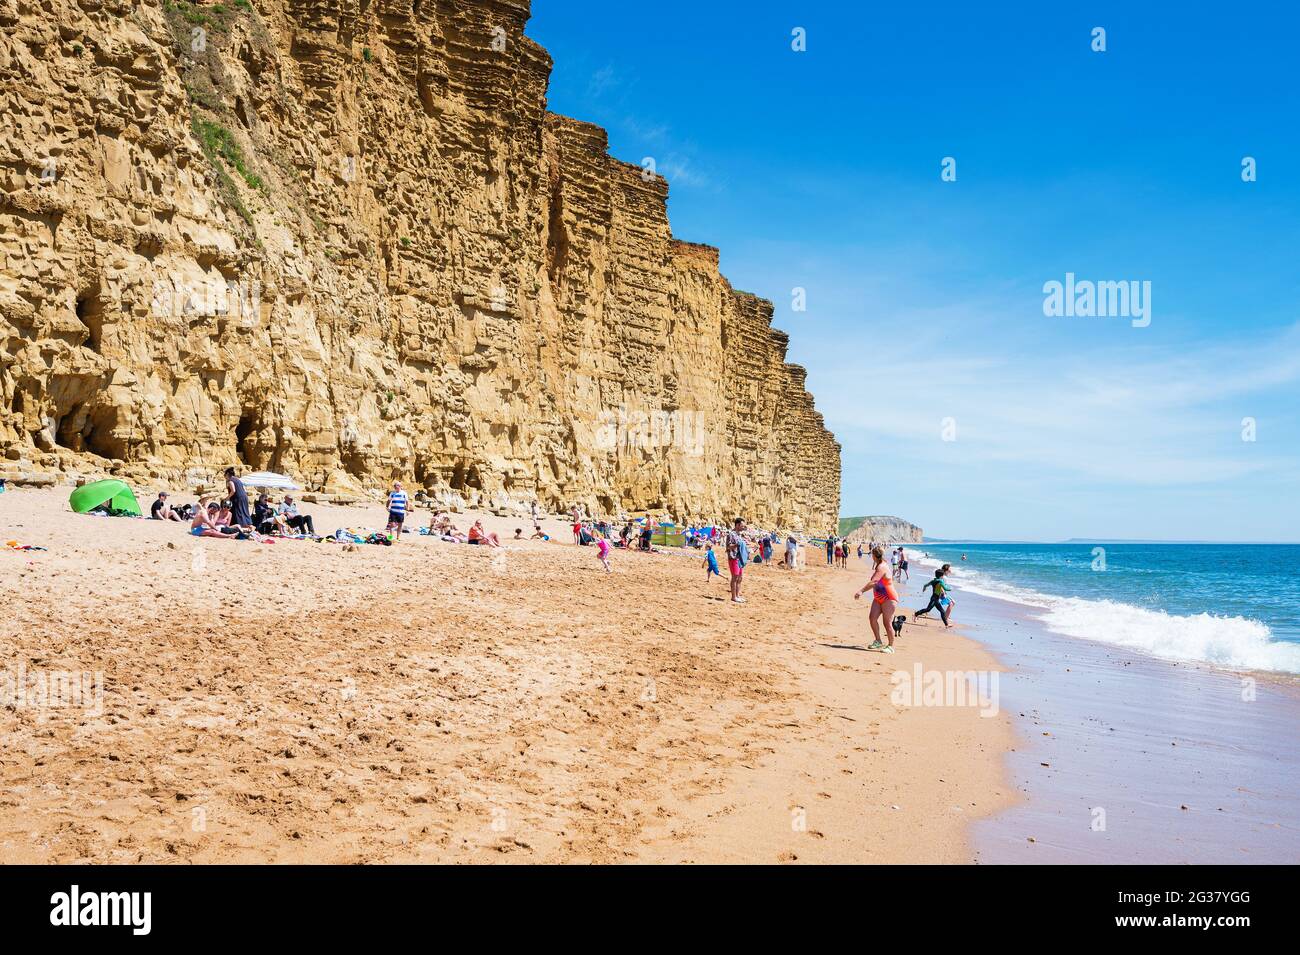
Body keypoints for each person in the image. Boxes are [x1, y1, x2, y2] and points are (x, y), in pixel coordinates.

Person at [853, 545, 900, 652]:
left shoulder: (882, 567)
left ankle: (891, 646)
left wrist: (861, 591)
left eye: (872, 555)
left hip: (889, 598)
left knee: (887, 623)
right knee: (872, 618)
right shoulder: (879, 565)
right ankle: (878, 641)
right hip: (878, 598)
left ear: (874, 556)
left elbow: (874, 582)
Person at [223, 467, 253, 533]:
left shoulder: (230, 481)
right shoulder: (238, 479)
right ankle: (248, 524)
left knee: (238, 511)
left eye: (225, 475)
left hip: (237, 497)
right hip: (244, 497)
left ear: (227, 474)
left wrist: (227, 497)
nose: (225, 477)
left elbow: (233, 490)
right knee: (244, 510)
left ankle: (240, 526)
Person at [726, 518, 749, 603]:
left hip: (739, 558)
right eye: (742, 525)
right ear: (737, 525)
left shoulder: (739, 535)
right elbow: (728, 546)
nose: (743, 527)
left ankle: (737, 595)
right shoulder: (731, 534)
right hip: (733, 557)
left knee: (740, 578)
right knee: (735, 577)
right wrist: (737, 545)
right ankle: (733, 597)